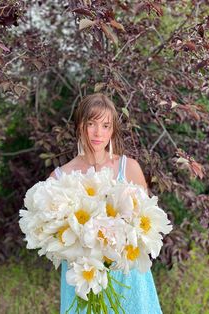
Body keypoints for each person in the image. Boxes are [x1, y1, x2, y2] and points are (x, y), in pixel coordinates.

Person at [50, 93, 162, 313]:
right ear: (79, 126)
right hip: (84, 275)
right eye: (90, 123)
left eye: (105, 125)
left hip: (125, 274)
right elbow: (52, 235)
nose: (97, 132)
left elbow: (146, 222)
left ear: (112, 130)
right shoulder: (59, 178)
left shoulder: (128, 168)